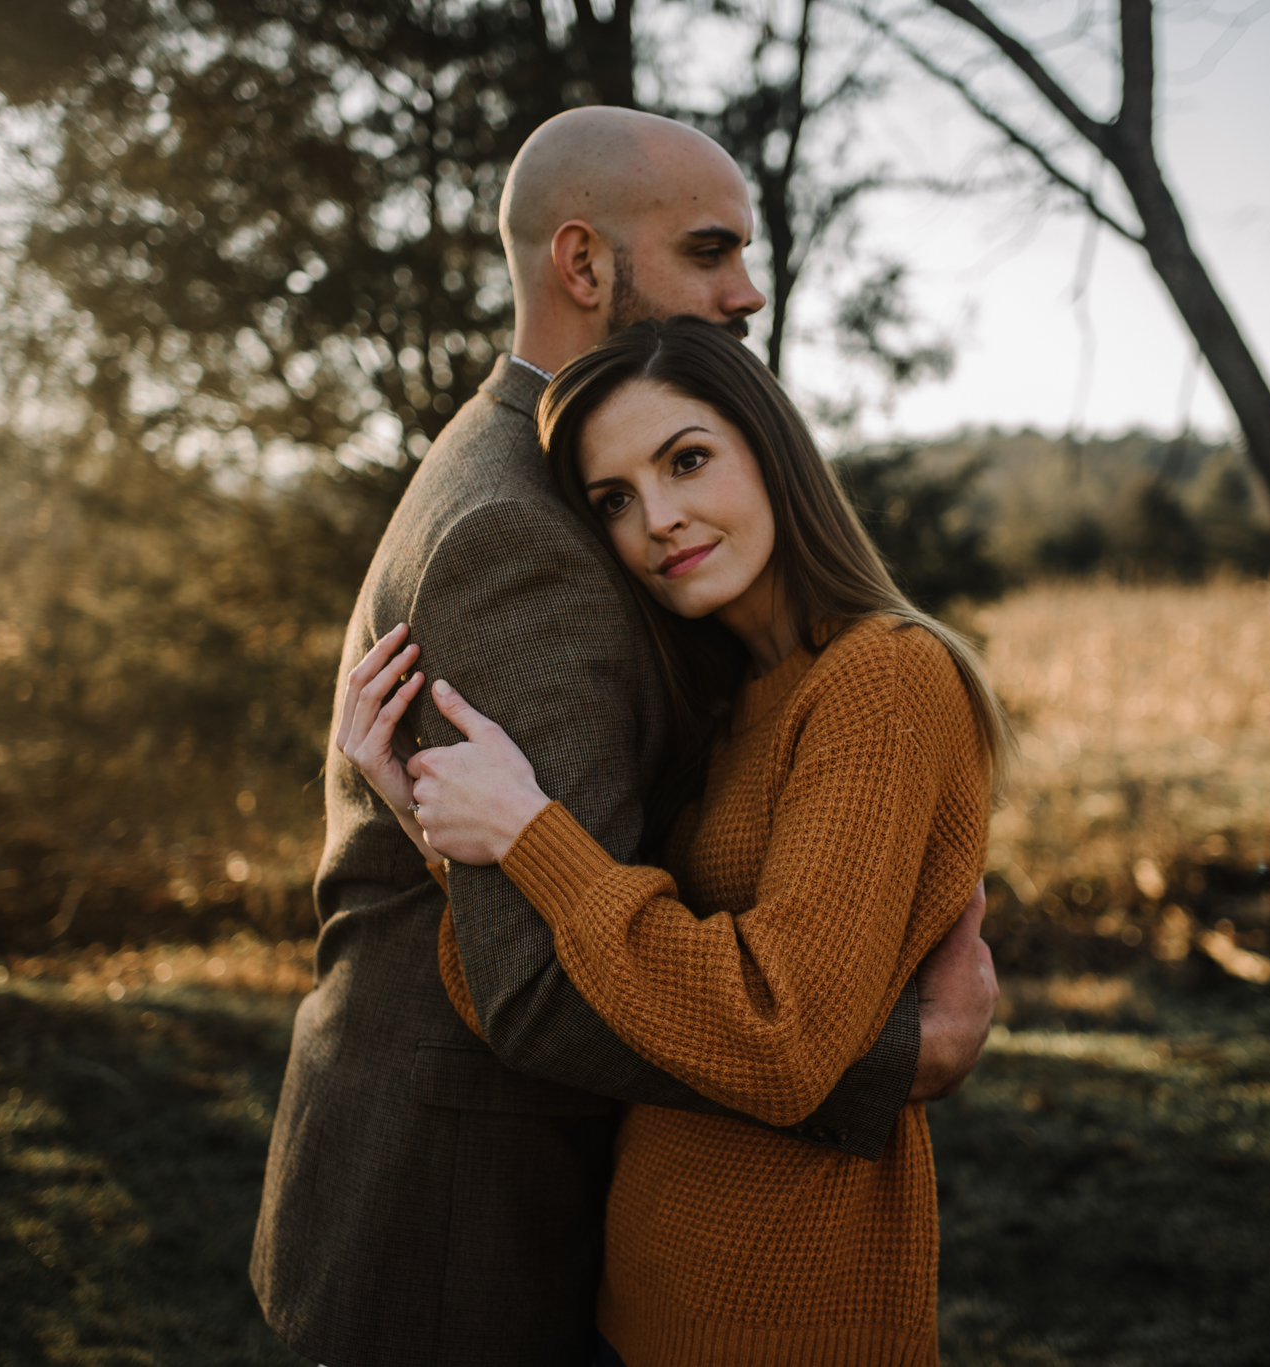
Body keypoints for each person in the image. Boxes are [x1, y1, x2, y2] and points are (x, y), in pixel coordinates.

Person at [250, 108, 998, 1367]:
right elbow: (534, 976)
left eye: (688, 459)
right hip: (467, 1213)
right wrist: (882, 1058)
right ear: (584, 265)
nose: (746, 290)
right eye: (709, 250)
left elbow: (569, 912)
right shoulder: (519, 525)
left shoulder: (540, 485)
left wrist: (479, 841)